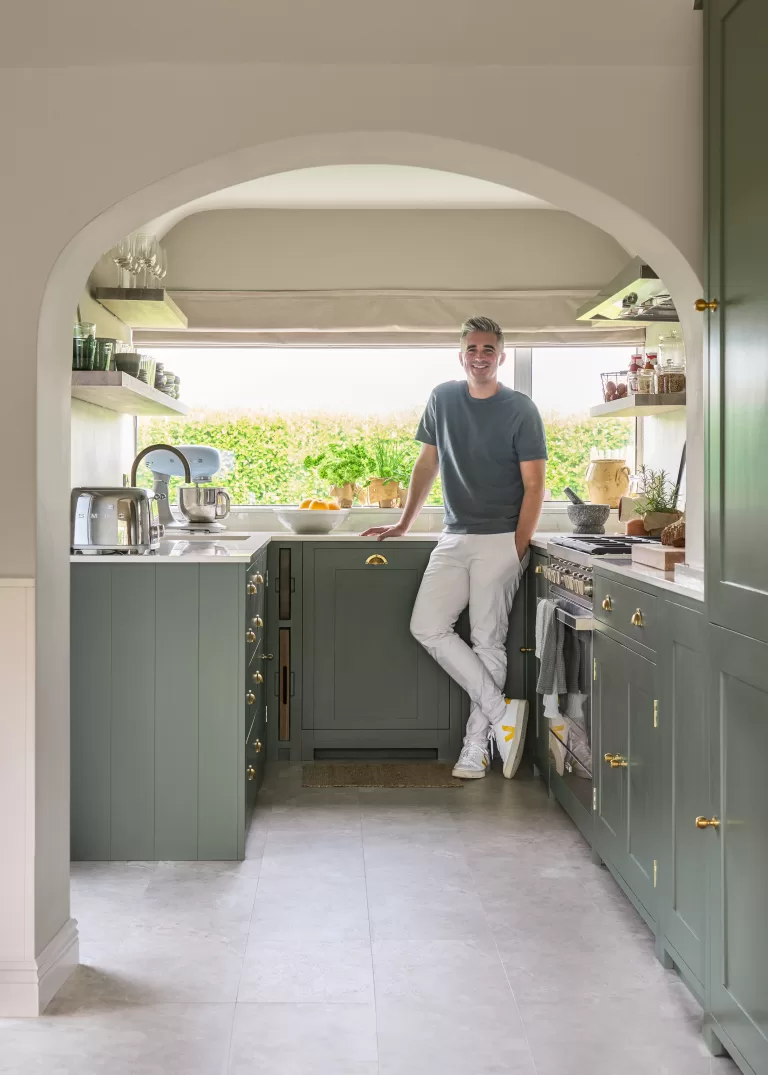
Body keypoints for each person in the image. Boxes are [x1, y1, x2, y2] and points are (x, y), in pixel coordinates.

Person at [362, 317, 547, 779]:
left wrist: (516, 547)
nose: (479, 356)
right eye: (472, 348)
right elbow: (427, 465)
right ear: (460, 355)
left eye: (488, 349)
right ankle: (504, 714)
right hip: (455, 535)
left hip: (501, 538)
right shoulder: (443, 398)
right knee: (426, 625)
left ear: (500, 357)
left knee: (488, 640)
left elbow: (535, 485)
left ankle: (474, 747)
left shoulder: (521, 409)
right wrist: (404, 522)